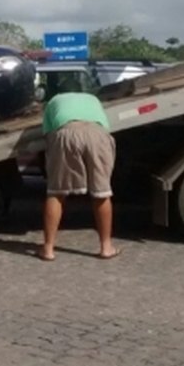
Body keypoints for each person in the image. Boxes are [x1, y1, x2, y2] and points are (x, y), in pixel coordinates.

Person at [40, 91, 119, 261]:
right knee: (102, 192)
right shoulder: (94, 99)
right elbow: (105, 125)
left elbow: (48, 135)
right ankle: (106, 247)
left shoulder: (53, 101)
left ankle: (48, 249)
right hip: (97, 134)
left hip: (66, 132)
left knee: (56, 192)